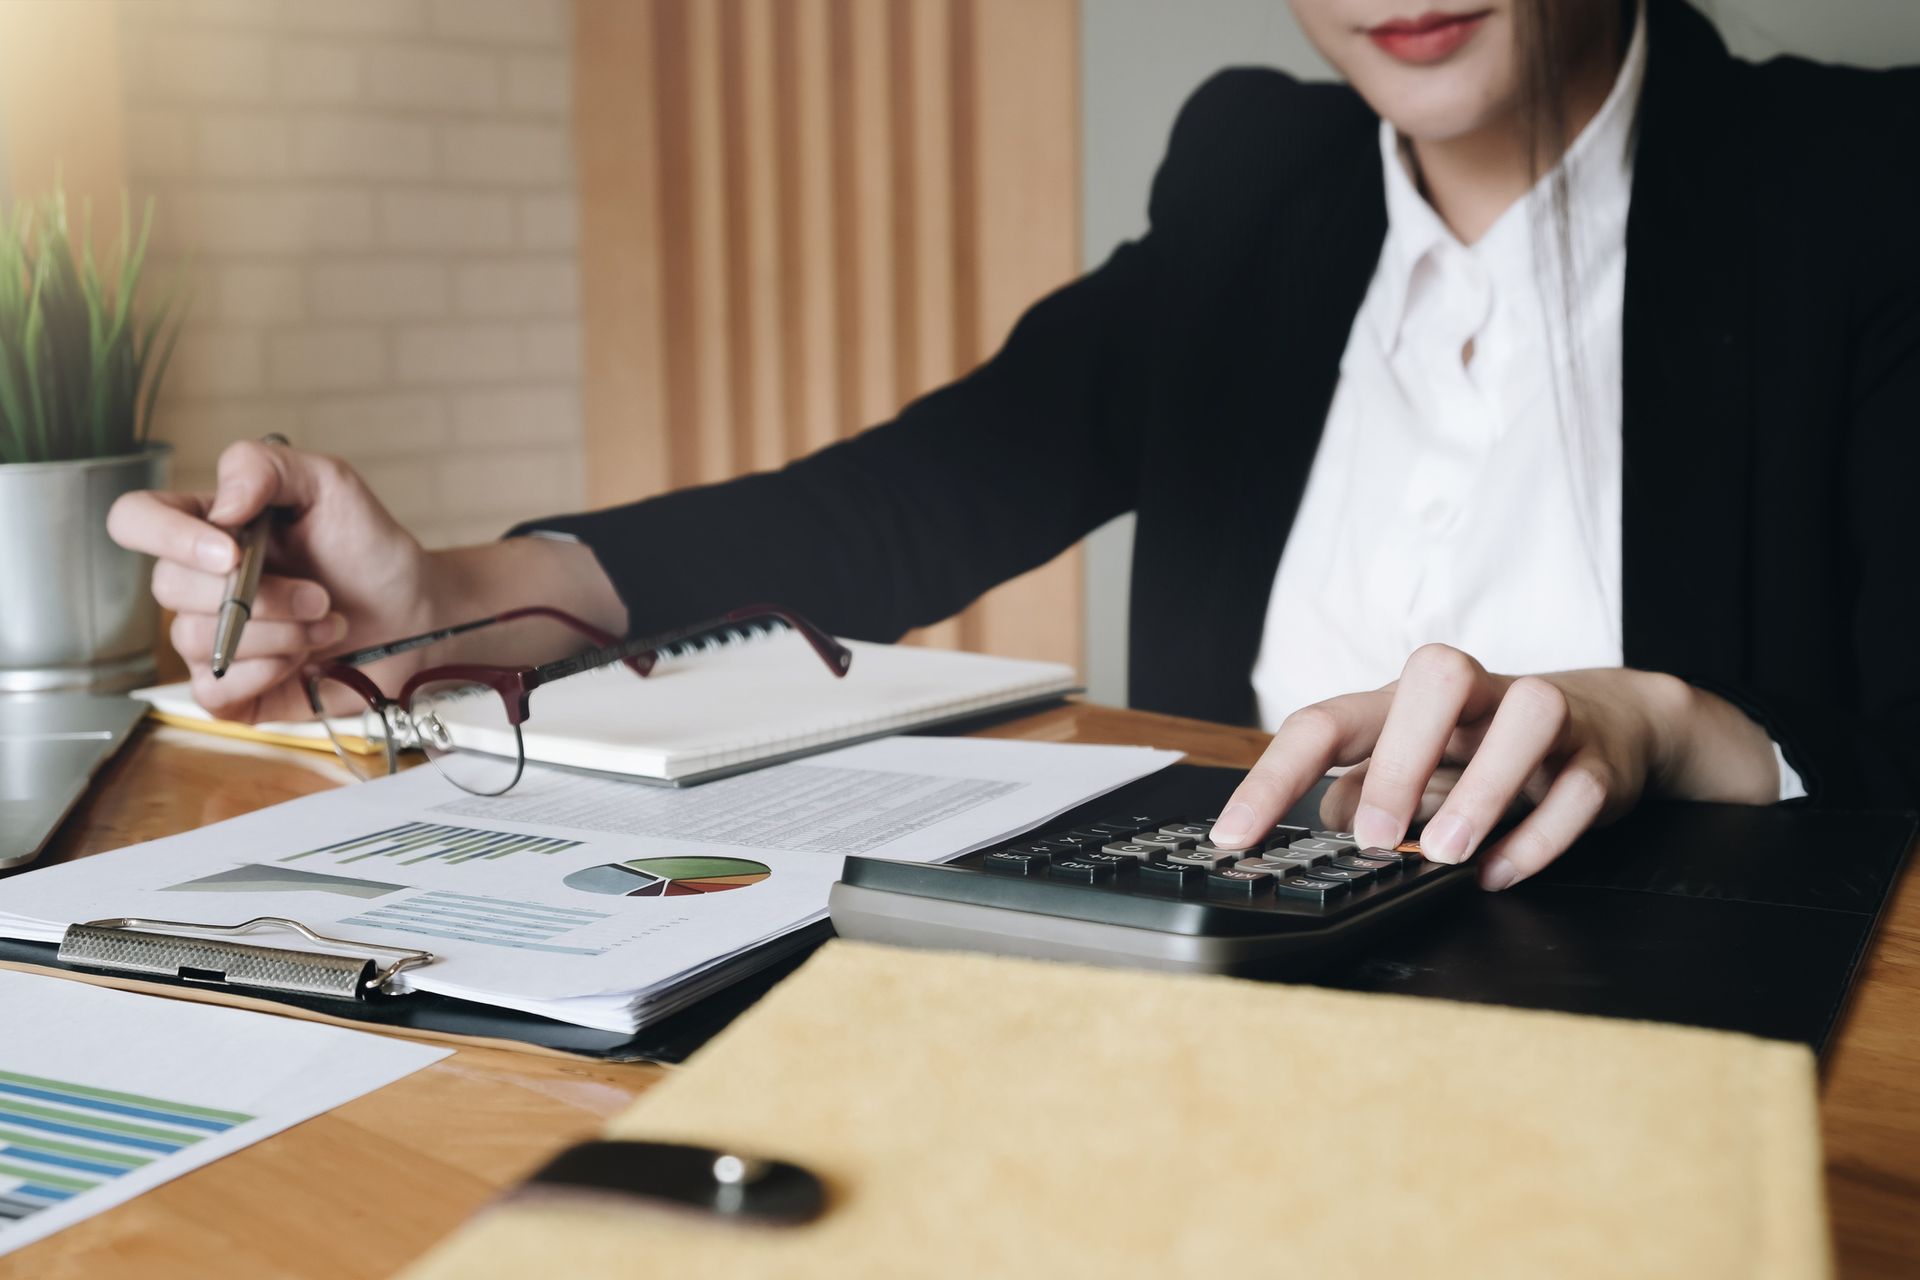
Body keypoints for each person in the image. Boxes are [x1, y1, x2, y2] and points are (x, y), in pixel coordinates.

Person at [108, 0, 1919, 891]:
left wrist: (1666, 726)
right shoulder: (1256, 179)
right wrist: (443, 599)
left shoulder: (1856, 184)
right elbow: (899, 506)